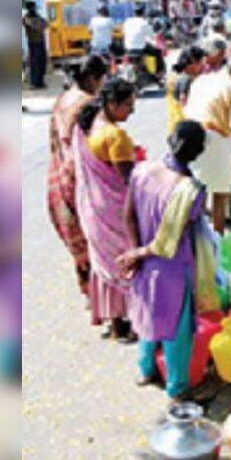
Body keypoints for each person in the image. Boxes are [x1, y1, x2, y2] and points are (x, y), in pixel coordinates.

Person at [119, 121, 211, 400]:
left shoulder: (142, 170)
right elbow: (167, 243)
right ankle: (177, 388)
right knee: (177, 330)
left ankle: (146, 370)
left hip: (145, 264)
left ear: (170, 140)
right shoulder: (190, 189)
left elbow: (128, 214)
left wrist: (135, 252)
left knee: (148, 316)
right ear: (198, 153)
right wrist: (139, 253)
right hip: (171, 267)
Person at [73, 79, 139, 336]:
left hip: (91, 206)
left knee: (105, 263)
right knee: (127, 261)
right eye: (128, 105)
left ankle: (116, 324)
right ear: (112, 104)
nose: (131, 112)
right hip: (114, 209)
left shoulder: (86, 128)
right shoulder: (115, 135)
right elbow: (129, 180)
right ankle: (135, 320)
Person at [47, 55, 108, 296]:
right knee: (97, 237)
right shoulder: (87, 103)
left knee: (81, 240)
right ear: (94, 78)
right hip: (77, 177)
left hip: (58, 175)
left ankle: (92, 295)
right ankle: (105, 301)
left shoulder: (63, 98)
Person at [183, 57, 231, 232]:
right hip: (215, 136)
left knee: (196, 187)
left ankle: (194, 233)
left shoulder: (201, 79)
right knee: (220, 193)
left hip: (190, 134)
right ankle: (217, 239)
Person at [166, 46, 206, 134]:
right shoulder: (186, 78)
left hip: (175, 125)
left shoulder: (174, 75)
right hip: (186, 128)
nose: (203, 66)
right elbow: (184, 103)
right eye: (201, 62)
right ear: (194, 62)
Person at [23, 2, 49, 89]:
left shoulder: (37, 16)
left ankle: (40, 82)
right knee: (35, 64)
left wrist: (40, 24)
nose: (35, 9)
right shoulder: (26, 18)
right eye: (34, 7)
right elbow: (36, 27)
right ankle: (34, 83)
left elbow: (46, 24)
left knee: (42, 62)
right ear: (30, 8)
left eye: (35, 7)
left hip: (41, 41)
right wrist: (40, 25)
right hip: (33, 43)